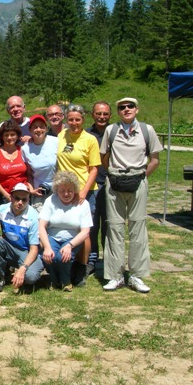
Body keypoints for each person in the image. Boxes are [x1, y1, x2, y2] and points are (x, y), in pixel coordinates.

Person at [100, 97, 162, 293]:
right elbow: (104, 157)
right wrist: (113, 173)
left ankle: (136, 275)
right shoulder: (111, 130)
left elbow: (155, 159)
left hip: (138, 181)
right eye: (121, 107)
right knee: (114, 228)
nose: (126, 109)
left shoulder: (147, 130)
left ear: (137, 109)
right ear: (118, 111)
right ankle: (115, 276)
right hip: (115, 182)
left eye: (130, 106)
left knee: (138, 228)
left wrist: (142, 176)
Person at [56, 104, 101, 286]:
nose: (74, 123)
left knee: (84, 231)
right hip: (64, 191)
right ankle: (69, 263)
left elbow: (94, 169)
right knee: (67, 226)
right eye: (71, 119)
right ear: (66, 119)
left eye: (78, 119)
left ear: (84, 120)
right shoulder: (61, 136)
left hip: (85, 191)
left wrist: (83, 191)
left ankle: (82, 267)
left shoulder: (90, 139)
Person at [38, 172, 93, 291]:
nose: (66, 194)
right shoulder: (50, 200)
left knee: (62, 257)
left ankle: (66, 281)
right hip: (52, 237)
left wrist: (69, 245)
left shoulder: (83, 204)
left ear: (75, 190)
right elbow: (41, 225)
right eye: (62, 190)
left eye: (70, 190)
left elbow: (85, 231)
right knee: (48, 256)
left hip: (73, 238)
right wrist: (47, 247)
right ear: (57, 190)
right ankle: (54, 280)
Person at [0, 183, 44, 293]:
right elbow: (3, 233)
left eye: (24, 200)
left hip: (26, 251)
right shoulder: (2, 209)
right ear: (11, 197)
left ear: (28, 199)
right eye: (17, 198)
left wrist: (22, 269)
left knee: (30, 277)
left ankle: (23, 270)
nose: (20, 203)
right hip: (10, 246)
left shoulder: (33, 216)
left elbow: (34, 249)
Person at [86, 101, 112, 271]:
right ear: (93, 115)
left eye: (105, 114)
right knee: (92, 225)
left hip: (112, 184)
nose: (102, 117)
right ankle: (92, 259)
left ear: (110, 115)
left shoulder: (116, 132)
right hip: (92, 185)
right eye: (98, 113)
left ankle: (109, 261)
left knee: (110, 224)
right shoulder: (86, 134)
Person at [21, 114, 58, 211]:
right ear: (30, 130)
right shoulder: (25, 149)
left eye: (41, 126)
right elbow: (29, 173)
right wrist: (32, 190)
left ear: (46, 128)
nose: (38, 129)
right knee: (40, 222)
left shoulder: (56, 142)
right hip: (39, 191)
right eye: (35, 127)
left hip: (58, 189)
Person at [0, 120, 28, 205]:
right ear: (2, 137)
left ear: (17, 136)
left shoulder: (23, 150)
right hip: (5, 195)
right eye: (6, 135)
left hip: (23, 194)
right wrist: (5, 194)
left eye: (12, 134)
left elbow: (30, 172)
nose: (9, 138)